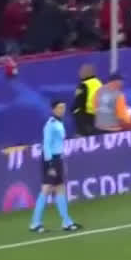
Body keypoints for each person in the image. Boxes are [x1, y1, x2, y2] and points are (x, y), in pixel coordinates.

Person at [29, 100, 82, 233]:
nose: (62, 110)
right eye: (59, 108)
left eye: (63, 107)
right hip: (50, 160)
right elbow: (46, 145)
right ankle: (35, 223)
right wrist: (51, 164)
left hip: (58, 159)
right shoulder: (50, 125)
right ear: (53, 110)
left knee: (60, 189)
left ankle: (66, 222)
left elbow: (58, 144)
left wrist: (61, 161)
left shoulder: (59, 123)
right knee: (46, 189)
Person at [71, 63, 102, 136]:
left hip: (87, 115)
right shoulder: (99, 83)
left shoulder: (84, 84)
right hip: (99, 115)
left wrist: (73, 109)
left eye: (82, 71)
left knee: (76, 110)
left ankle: (81, 134)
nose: (80, 73)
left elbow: (79, 101)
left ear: (88, 72)